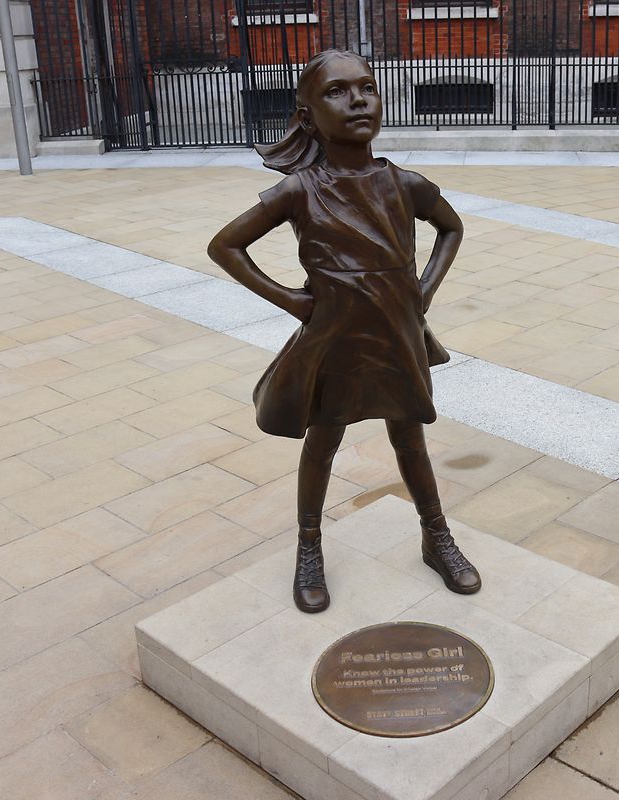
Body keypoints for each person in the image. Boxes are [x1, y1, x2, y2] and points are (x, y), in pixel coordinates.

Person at [207, 49, 481, 613]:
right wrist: (294, 302)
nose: (358, 99)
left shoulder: (404, 183)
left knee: (410, 435)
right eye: (337, 91)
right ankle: (310, 547)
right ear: (306, 116)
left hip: (396, 333)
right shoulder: (299, 190)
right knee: (324, 438)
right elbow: (225, 245)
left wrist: (421, 293)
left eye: (367, 87)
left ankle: (437, 536)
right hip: (334, 339)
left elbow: (451, 229)